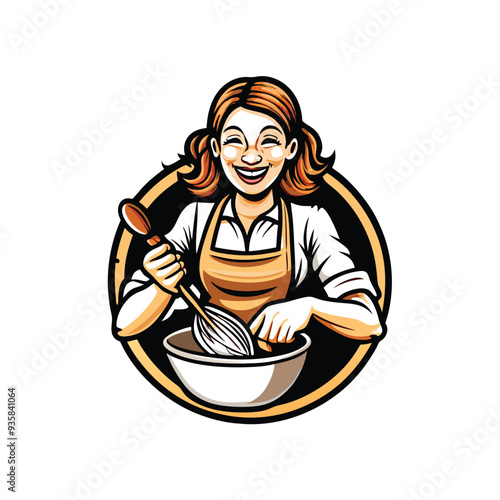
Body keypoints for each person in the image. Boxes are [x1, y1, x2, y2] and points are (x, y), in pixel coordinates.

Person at [114, 77, 385, 345]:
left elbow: (370, 322)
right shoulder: (195, 218)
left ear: (290, 149)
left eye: (269, 141)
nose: (251, 157)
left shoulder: (309, 221)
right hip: (210, 359)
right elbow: (125, 326)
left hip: (277, 368)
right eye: (235, 140)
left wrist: (310, 307)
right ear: (216, 148)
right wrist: (161, 286)